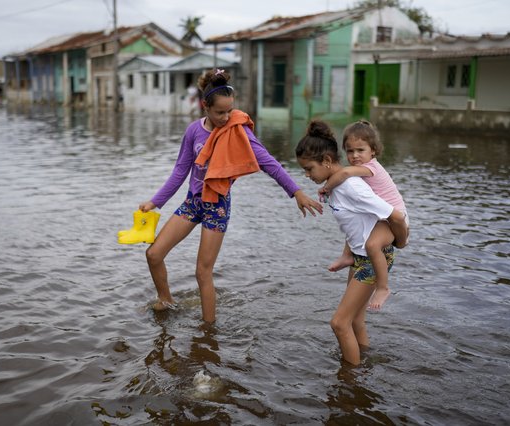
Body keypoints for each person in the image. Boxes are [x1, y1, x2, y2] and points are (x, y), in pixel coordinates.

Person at [138, 68, 323, 323]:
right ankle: (166, 301)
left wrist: (297, 192)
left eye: (229, 111)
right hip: (193, 202)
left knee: (203, 272)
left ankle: (208, 330)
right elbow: (179, 173)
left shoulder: (238, 129)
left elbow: (268, 162)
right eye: (219, 112)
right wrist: (154, 202)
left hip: (218, 205)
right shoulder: (194, 132)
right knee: (154, 254)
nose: (226, 117)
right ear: (205, 106)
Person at [295, 120, 396, 366]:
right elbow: (356, 224)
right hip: (361, 257)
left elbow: (391, 213)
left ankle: (351, 379)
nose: (307, 176)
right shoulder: (337, 187)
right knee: (355, 321)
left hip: (373, 259)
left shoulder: (351, 187)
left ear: (327, 161)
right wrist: (348, 254)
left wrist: (402, 237)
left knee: (339, 323)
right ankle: (363, 367)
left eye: (309, 169)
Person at [317, 120, 408, 310]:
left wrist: (326, 188)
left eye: (360, 150)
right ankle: (347, 256)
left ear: (373, 150)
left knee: (372, 244)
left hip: (394, 217)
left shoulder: (371, 167)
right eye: (349, 151)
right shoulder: (364, 168)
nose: (355, 156)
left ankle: (383, 287)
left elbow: (344, 173)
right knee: (355, 222)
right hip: (381, 215)